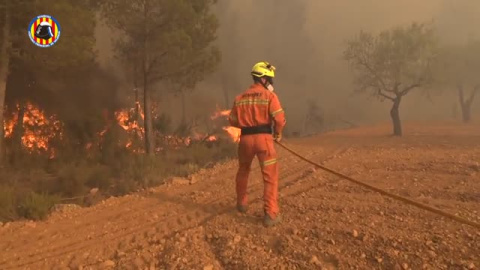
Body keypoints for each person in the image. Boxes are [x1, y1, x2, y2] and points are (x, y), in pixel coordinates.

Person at [228, 61, 286, 227]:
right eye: (269, 79)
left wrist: (247, 124)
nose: (271, 83)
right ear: (262, 78)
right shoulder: (270, 97)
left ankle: (241, 204)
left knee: (243, 171)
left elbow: (232, 120)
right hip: (264, 141)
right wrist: (278, 133)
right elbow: (279, 119)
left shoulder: (239, 98)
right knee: (270, 177)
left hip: (245, 141)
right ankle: (271, 214)